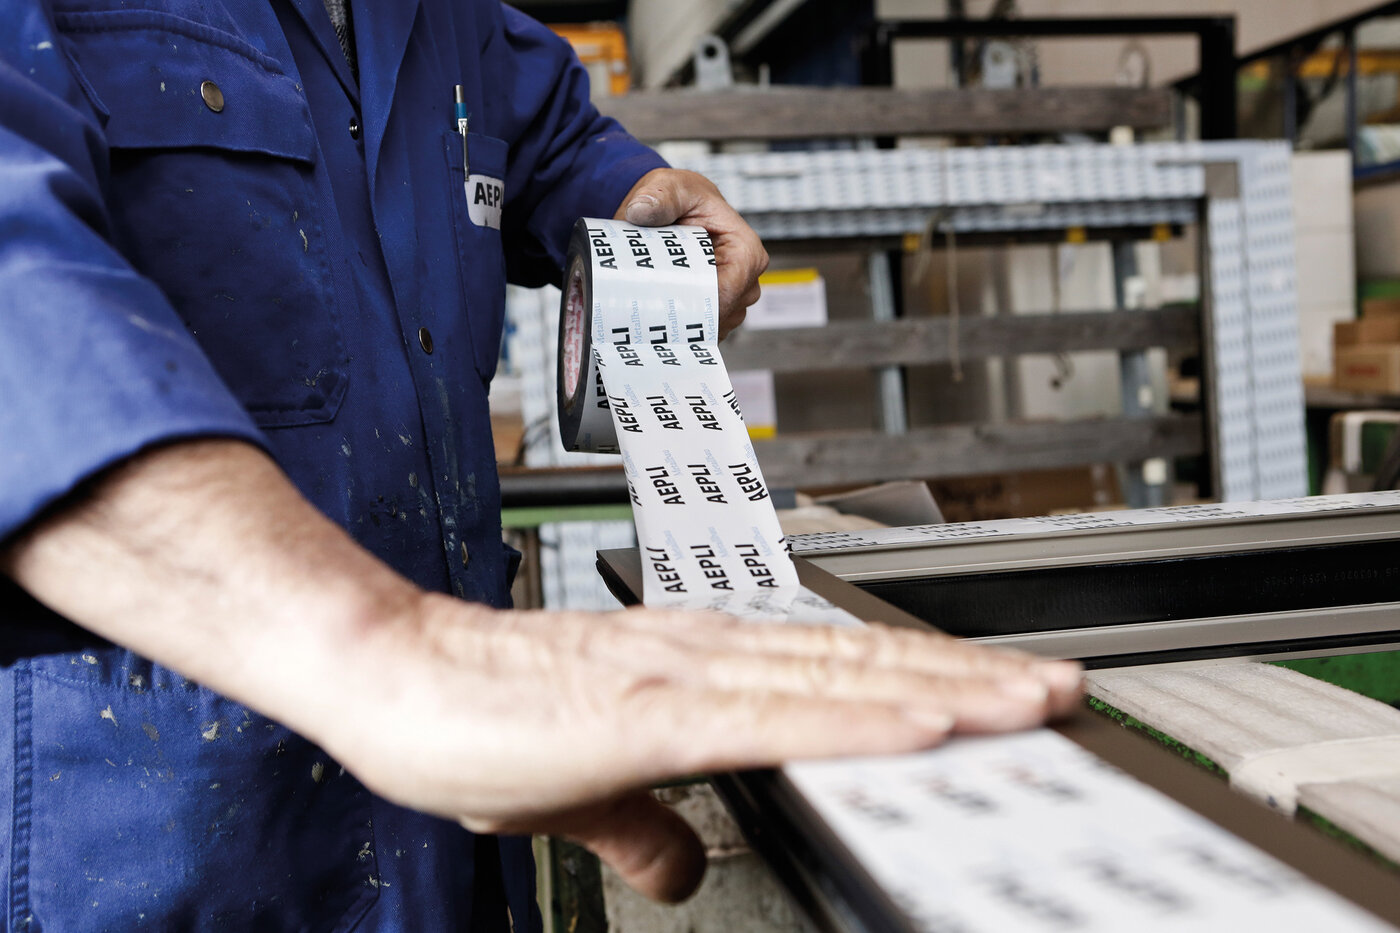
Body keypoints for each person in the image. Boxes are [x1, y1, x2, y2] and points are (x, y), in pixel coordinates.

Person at [0, 0, 1082, 929]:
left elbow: (536, 124)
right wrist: (384, 653)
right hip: (177, 840)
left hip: (469, 840)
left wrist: (630, 195)